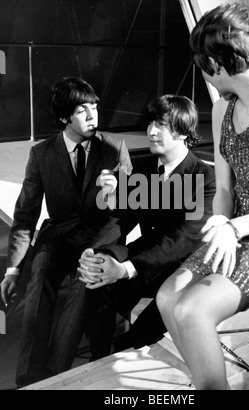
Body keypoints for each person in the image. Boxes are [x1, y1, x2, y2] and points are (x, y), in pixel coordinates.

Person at [156, 2, 249, 391]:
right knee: (168, 297)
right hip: (239, 229)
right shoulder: (221, 110)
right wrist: (220, 223)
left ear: (215, 63)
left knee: (192, 308)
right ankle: (208, 377)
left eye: (201, 62)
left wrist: (233, 227)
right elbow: (223, 190)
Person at [0, 77, 132, 387]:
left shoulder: (115, 147)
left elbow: (130, 209)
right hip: (59, 235)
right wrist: (12, 270)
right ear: (63, 118)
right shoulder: (42, 154)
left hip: (102, 236)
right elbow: (25, 217)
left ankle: (54, 377)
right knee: (41, 271)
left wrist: (120, 192)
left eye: (95, 108)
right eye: (82, 110)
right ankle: (29, 377)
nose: (92, 116)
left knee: (85, 280)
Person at [78, 95, 216, 360]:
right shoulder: (144, 170)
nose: (151, 132)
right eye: (150, 123)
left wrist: (125, 269)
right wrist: (99, 253)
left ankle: (117, 356)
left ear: (183, 132)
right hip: (147, 259)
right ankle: (97, 356)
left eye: (161, 125)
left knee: (130, 343)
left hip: (185, 270)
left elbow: (184, 240)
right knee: (98, 268)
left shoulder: (205, 178)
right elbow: (122, 218)